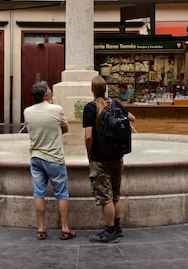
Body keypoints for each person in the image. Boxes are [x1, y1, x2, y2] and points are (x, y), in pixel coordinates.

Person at [83, 75, 134, 243]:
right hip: (117, 155)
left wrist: (90, 156)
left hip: (100, 157)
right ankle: (117, 228)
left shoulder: (90, 108)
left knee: (105, 197)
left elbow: (88, 137)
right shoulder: (115, 103)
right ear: (105, 89)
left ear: (92, 89)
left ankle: (109, 231)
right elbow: (132, 118)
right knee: (116, 195)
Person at [22, 80, 74, 240]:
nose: (51, 91)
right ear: (46, 94)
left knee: (38, 193)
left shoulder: (27, 111)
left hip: (36, 157)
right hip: (54, 158)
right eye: (49, 89)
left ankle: (41, 228)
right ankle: (64, 228)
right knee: (62, 194)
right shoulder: (56, 109)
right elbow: (65, 129)